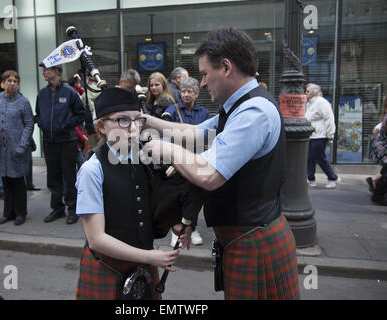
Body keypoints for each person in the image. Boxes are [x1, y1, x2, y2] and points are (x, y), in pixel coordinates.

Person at [143, 28, 300, 300]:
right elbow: (192, 133)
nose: (202, 83)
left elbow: (209, 174)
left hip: (255, 241)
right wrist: (143, 119)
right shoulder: (237, 106)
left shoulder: (254, 112)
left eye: (205, 74)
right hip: (245, 238)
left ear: (226, 67)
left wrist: (164, 148)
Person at [75, 87, 180, 300]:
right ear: (101, 126)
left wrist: (176, 221)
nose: (133, 129)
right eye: (123, 121)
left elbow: (146, 207)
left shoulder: (143, 158)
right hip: (108, 267)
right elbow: (96, 239)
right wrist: (150, 256)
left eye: (137, 120)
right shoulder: (92, 170)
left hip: (144, 265)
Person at [0, 70, 34, 226]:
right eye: (9, 80)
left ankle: (20, 213)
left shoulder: (23, 102)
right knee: (5, 181)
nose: (12, 83)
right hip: (0, 149)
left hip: (17, 148)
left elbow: (29, 124)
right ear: (3, 82)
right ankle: (7, 213)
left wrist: (22, 145)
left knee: (18, 182)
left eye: (15, 81)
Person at [35, 63, 85, 225]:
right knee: (53, 177)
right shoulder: (42, 94)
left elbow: (81, 113)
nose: (44, 73)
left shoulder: (69, 92)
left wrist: (65, 125)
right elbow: (38, 115)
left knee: (69, 177)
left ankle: (72, 209)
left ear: (56, 72)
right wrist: (42, 124)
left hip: (67, 141)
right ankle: (57, 208)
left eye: (46, 70)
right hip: (49, 142)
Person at [164, 77, 210, 246]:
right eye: (183, 91)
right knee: (176, 195)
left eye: (189, 91)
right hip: (177, 160)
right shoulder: (172, 110)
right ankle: (176, 230)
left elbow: (206, 137)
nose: (185, 94)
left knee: (195, 195)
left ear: (197, 93)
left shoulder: (204, 113)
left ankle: (194, 227)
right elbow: (166, 133)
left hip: (196, 159)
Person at [305, 83, 340, 189]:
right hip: (312, 134)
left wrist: (330, 134)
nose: (305, 93)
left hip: (320, 135)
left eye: (308, 91)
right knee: (310, 157)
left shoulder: (321, 102)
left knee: (319, 157)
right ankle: (311, 178)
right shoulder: (310, 103)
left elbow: (329, 118)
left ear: (314, 92)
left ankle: (332, 178)